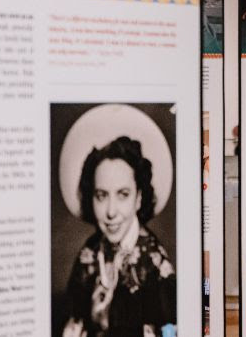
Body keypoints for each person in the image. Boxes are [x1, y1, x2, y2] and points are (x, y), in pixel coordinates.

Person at [63, 136, 176, 336]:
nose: (111, 211)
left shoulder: (154, 263)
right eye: (101, 195)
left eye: (123, 194)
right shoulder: (89, 251)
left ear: (139, 198)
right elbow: (75, 320)